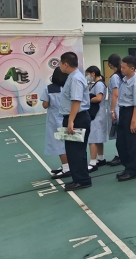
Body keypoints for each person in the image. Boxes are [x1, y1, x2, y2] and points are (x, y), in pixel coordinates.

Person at [58, 52, 92, 191]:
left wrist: (71, 121)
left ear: (65, 64)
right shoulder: (72, 77)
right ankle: (78, 178)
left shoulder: (76, 79)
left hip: (77, 118)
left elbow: (76, 101)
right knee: (73, 151)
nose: (59, 66)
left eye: (60, 63)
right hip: (74, 117)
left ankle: (82, 180)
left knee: (77, 151)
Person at [113, 55, 136, 182]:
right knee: (121, 143)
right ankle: (128, 167)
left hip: (132, 113)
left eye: (124, 67)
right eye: (121, 67)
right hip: (124, 112)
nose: (121, 69)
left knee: (132, 144)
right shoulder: (124, 80)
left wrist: (133, 121)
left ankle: (133, 171)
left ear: (132, 69)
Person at [42, 67, 70, 179]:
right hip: (67, 118)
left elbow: (45, 105)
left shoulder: (49, 88)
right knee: (68, 144)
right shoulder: (68, 87)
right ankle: (67, 165)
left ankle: (66, 168)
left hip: (55, 120)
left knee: (59, 144)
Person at [85, 66, 107, 172]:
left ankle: (93, 163)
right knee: (98, 137)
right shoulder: (99, 83)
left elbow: (98, 98)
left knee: (92, 138)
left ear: (93, 73)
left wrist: (86, 99)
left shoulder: (99, 84)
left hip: (96, 113)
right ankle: (101, 158)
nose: (88, 76)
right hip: (99, 113)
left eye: (88, 74)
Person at [106, 54, 123, 167]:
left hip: (116, 107)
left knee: (118, 132)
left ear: (110, 64)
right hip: (120, 106)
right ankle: (120, 154)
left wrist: (112, 111)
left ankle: (120, 155)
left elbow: (115, 94)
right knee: (120, 133)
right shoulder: (121, 75)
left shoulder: (115, 77)